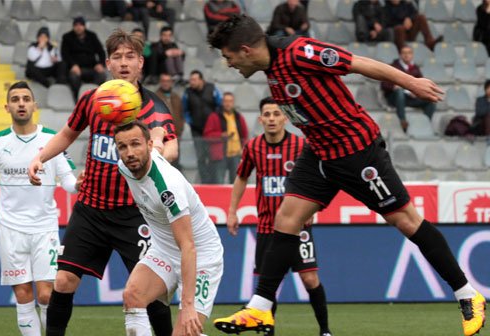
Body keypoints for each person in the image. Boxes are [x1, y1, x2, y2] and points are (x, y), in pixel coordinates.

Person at [207, 14, 486, 336]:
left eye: (228, 57)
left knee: (407, 221)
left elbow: (358, 62)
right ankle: (260, 308)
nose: (228, 64)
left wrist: (411, 83)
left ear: (244, 50)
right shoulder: (271, 69)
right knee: (286, 219)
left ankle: (468, 294)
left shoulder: (300, 52)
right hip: (319, 152)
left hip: (357, 152)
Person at [27, 29, 178, 336]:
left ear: (140, 64)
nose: (124, 63)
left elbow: (170, 144)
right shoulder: (93, 100)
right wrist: (40, 157)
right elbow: (68, 134)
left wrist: (160, 151)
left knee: (153, 291)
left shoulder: (154, 107)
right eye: (118, 57)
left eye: (130, 57)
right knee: (64, 281)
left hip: (136, 213)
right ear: (108, 63)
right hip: (91, 209)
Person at [0, 81, 78, 336]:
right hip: (11, 229)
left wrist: (81, 185)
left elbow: (68, 181)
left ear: (34, 105)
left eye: (26, 98)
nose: (21, 103)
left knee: (47, 294)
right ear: (7, 107)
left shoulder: (52, 140)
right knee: (24, 295)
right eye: (15, 99)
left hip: (44, 227)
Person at [226, 97, 332, 336]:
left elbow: (319, 176)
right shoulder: (253, 147)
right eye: (267, 114)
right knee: (268, 286)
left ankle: (325, 330)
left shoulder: (301, 145)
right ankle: (268, 332)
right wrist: (232, 211)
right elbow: (241, 177)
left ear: (285, 117)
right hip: (267, 228)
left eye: (276, 114)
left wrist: (312, 207)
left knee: (310, 280)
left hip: (299, 226)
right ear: (260, 119)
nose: (272, 119)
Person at [114, 120, 224, 336]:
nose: (129, 153)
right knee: (133, 295)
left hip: (200, 256)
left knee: (185, 330)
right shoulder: (125, 166)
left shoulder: (167, 187)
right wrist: (159, 132)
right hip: (164, 249)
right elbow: (157, 138)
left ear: (146, 145)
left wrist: (188, 305)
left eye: (135, 144)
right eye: (122, 147)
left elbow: (188, 246)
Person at [381, 45, 436, 132]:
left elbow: (420, 84)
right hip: (395, 98)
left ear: (412, 55)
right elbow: (384, 84)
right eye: (404, 53)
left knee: (430, 99)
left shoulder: (415, 68)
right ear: (400, 55)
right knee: (400, 91)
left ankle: (425, 123)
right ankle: (403, 121)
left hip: (409, 98)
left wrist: (416, 91)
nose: (407, 55)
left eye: (409, 53)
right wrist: (393, 86)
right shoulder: (393, 66)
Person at [182, 70, 222, 184]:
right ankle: (205, 181)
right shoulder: (187, 92)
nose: (191, 82)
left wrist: (215, 121)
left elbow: (219, 105)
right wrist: (190, 122)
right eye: (190, 80)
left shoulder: (212, 89)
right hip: (197, 131)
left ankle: (214, 182)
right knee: (201, 157)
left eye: (194, 80)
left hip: (211, 131)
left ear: (201, 80)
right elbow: (185, 110)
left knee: (213, 156)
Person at [203, 92, 248, 184]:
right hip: (220, 155)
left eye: (230, 101)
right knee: (218, 182)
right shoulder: (214, 117)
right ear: (222, 102)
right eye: (225, 101)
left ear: (233, 102)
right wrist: (221, 135)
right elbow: (207, 135)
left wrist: (243, 149)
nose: (228, 103)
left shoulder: (239, 117)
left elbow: (244, 135)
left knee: (236, 182)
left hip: (236, 154)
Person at [60, 16, 107, 101]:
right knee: (73, 77)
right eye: (76, 25)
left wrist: (100, 64)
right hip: (76, 68)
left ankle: (92, 95)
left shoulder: (92, 36)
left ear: (84, 26)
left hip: (92, 67)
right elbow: (65, 54)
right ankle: (79, 98)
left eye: (81, 25)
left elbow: (101, 52)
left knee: (102, 75)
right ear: (73, 27)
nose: (78, 27)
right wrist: (73, 65)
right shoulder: (67, 37)